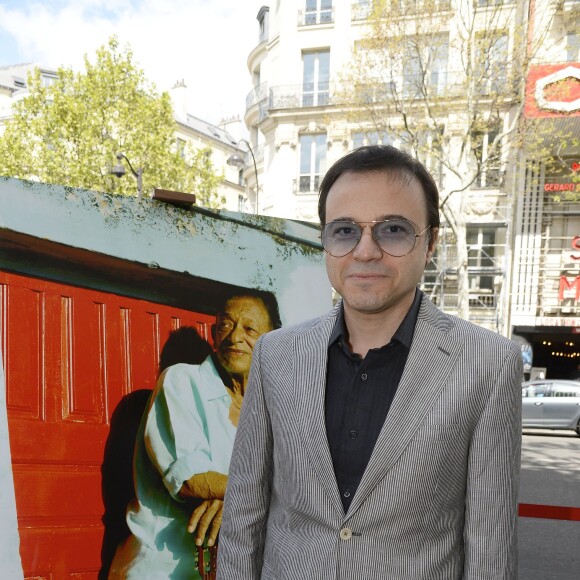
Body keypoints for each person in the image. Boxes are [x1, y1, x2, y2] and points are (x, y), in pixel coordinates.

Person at [218, 145, 523, 579]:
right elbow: (243, 521)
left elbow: (490, 550)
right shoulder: (275, 355)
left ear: (430, 241)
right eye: (344, 231)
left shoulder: (490, 365)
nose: (365, 251)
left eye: (393, 230)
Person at [108, 291, 280, 579]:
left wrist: (236, 498)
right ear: (214, 334)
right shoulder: (181, 382)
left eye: (249, 328)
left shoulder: (270, 407)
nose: (235, 336)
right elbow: (192, 479)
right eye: (225, 326)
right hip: (163, 569)